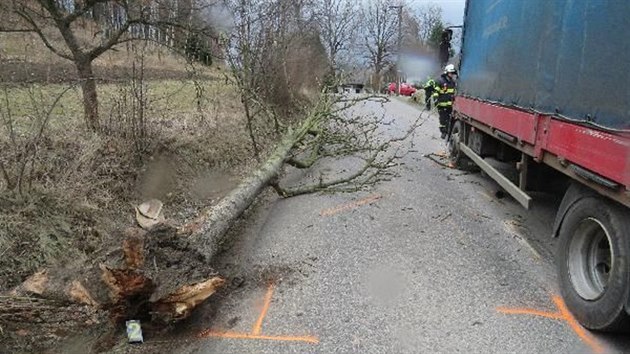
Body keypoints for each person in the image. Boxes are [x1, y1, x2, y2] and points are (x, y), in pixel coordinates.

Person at [433, 63, 458, 139]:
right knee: (443, 120)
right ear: (446, 72)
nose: (452, 75)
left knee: (449, 119)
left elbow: (453, 93)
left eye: (453, 73)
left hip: (450, 105)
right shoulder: (440, 81)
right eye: (451, 73)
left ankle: (447, 131)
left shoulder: (452, 82)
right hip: (441, 104)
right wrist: (436, 101)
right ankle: (443, 132)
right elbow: (435, 92)